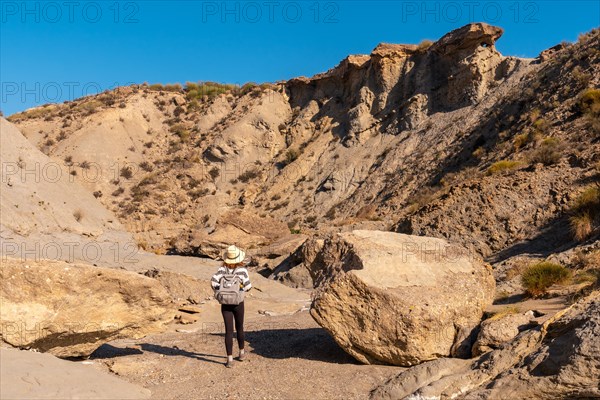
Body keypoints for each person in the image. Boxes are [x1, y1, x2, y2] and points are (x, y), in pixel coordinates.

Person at [211, 245, 252, 368]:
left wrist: (220, 292)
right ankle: (241, 353)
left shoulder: (221, 270)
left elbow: (213, 282)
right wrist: (240, 290)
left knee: (228, 331)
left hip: (225, 304)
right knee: (239, 327)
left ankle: (229, 359)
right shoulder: (242, 270)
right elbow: (248, 286)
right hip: (238, 303)